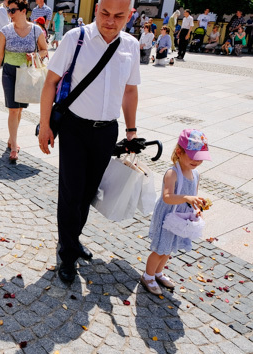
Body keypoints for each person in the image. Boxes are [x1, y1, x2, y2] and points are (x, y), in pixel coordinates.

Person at [38, 0, 140, 285]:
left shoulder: (130, 46)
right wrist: (45, 125)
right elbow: (50, 83)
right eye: (105, 13)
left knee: (88, 193)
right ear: (96, 9)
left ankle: (73, 239)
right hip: (74, 127)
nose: (110, 21)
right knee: (71, 192)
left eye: (119, 16)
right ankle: (67, 251)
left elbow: (130, 91)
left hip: (106, 131)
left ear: (130, 15)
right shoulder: (76, 38)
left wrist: (131, 132)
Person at [143, 129, 211, 295]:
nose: (197, 162)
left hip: (180, 218)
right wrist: (187, 198)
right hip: (167, 216)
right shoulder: (172, 173)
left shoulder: (195, 174)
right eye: (193, 157)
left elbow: (193, 196)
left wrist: (197, 209)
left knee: (169, 248)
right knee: (160, 249)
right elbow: (167, 197)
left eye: (200, 158)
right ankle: (148, 276)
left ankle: (158, 273)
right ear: (179, 152)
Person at [0, 0, 47, 163]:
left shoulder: (36, 30)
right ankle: (14, 146)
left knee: (20, 110)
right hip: (9, 72)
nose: (9, 14)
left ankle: (11, 138)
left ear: (24, 11)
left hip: (27, 74)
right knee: (13, 110)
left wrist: (35, 55)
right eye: (9, 11)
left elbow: (45, 50)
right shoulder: (5, 31)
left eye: (13, 11)